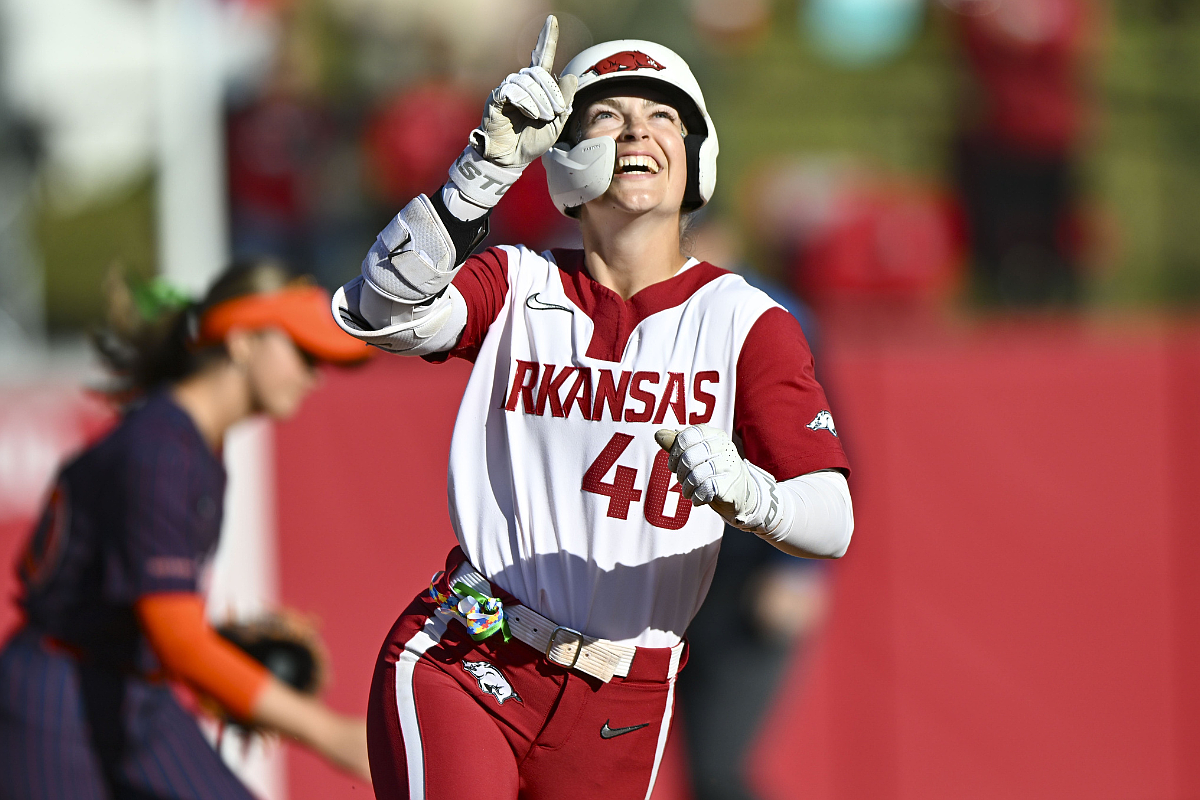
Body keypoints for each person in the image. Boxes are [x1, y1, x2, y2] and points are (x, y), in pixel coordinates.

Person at [331, 17, 854, 800]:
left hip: (626, 698)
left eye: (663, 116)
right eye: (608, 115)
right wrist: (478, 176)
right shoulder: (517, 281)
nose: (638, 130)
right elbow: (380, 311)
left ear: (697, 157)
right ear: (568, 155)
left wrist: (749, 493)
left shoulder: (750, 321)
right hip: (473, 654)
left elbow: (833, 518)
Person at [0, 259, 373, 799]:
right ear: (242, 341)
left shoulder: (191, 443)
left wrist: (218, 654)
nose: (312, 374)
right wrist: (328, 732)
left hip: (131, 687)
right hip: (57, 701)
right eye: (302, 352)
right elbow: (181, 643)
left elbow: (157, 624)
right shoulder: (162, 453)